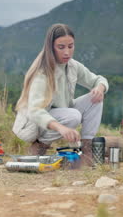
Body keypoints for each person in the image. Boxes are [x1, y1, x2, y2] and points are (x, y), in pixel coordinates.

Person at [13, 23, 108, 165]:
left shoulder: (73, 65)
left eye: (71, 46)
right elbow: (35, 111)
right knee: (73, 116)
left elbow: (98, 80)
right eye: (61, 47)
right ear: (51, 47)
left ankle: (87, 152)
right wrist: (61, 128)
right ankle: (39, 146)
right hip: (35, 124)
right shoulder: (42, 73)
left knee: (96, 99)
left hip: (61, 113)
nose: (67, 52)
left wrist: (100, 88)